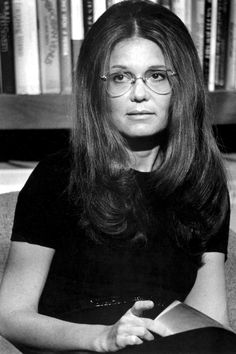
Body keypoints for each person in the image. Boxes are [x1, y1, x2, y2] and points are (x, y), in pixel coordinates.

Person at [0, 0, 236, 353]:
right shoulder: (58, 176)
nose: (139, 94)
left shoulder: (202, 183)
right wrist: (101, 338)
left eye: (157, 75)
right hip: (82, 346)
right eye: (120, 77)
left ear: (181, 85)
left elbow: (210, 322)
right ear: (97, 89)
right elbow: (11, 316)